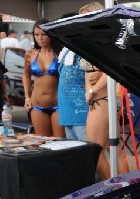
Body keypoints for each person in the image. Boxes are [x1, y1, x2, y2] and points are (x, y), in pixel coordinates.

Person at [79, 1, 127, 179]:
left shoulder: (104, 40)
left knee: (94, 151)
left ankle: (112, 191)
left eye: (86, 17)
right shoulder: (94, 39)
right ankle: (124, 188)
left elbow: (112, 71)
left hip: (101, 101)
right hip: (102, 100)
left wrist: (91, 90)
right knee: (114, 150)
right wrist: (90, 88)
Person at [22, 19, 65, 137]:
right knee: (43, 145)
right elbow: (26, 75)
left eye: (44, 34)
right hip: (37, 105)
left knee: (60, 144)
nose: (40, 38)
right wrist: (27, 97)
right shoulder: (30, 54)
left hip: (58, 105)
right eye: (36, 34)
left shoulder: (60, 53)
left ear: (51, 34)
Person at [57, 12, 87, 141]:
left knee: (88, 152)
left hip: (82, 113)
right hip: (66, 112)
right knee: (75, 154)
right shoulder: (65, 51)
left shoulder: (86, 49)